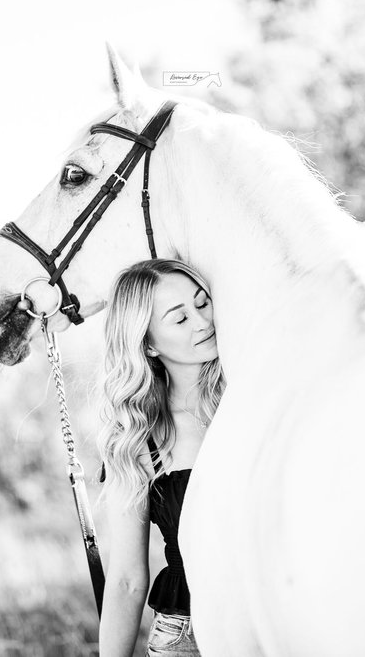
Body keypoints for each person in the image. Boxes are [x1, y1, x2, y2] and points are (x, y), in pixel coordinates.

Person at [96, 258, 224, 657]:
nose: (203, 322)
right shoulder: (136, 441)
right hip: (188, 638)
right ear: (148, 342)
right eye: (179, 318)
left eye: (202, 304)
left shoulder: (252, 399)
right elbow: (127, 581)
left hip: (276, 622)